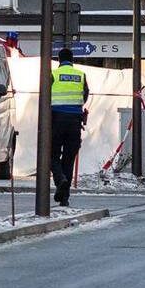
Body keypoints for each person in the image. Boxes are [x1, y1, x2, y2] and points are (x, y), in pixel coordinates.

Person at [50, 47, 89, 206]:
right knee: (69, 158)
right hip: (75, 121)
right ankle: (64, 198)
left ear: (59, 60)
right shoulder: (80, 75)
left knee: (51, 154)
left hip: (56, 120)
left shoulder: (53, 74)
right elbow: (85, 95)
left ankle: (60, 180)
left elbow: (45, 95)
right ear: (72, 60)